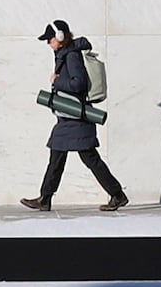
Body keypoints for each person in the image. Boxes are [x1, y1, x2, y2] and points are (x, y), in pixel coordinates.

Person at [21, 20, 129, 211]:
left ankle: (117, 195)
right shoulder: (65, 54)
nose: (49, 43)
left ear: (60, 37)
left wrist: (57, 80)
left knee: (88, 159)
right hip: (69, 118)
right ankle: (45, 199)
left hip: (77, 119)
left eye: (50, 39)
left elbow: (78, 84)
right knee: (58, 157)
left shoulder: (71, 56)